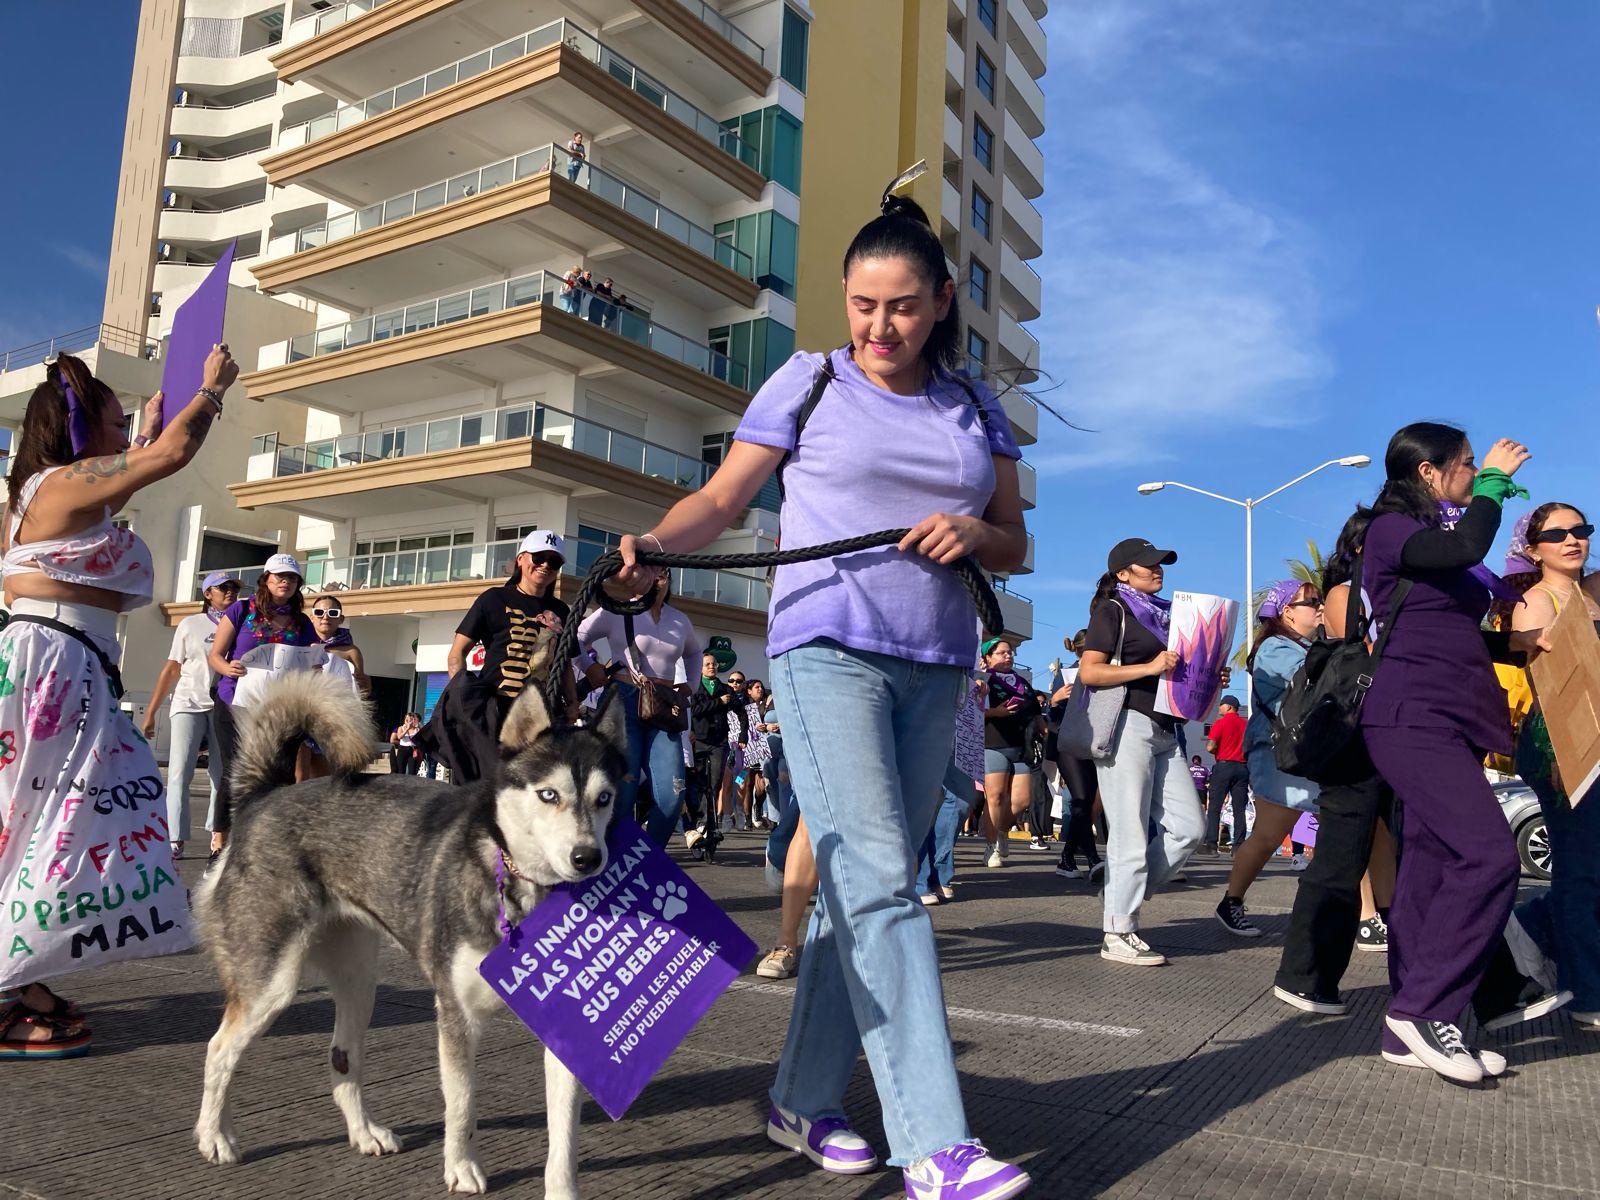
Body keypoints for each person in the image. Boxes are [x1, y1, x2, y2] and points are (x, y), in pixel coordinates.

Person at [609, 182, 1030, 1194]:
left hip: (937, 662)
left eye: (900, 305)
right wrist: (654, 549)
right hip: (822, 649)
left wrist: (977, 535)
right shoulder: (806, 382)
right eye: (862, 304)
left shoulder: (976, 407)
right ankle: (935, 1144)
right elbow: (720, 498)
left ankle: (799, 1098)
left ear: (937, 305)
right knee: (884, 875)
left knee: (855, 897)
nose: (879, 326)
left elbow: (1015, 545)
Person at [0, 343, 235, 1057]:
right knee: (46, 823)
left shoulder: (49, 494)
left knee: (51, 826)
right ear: (80, 432)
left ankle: (20, 974)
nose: (126, 424)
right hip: (54, 666)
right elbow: (165, 459)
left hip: (64, 665)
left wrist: (143, 439)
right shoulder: (51, 488)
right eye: (115, 416)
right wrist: (211, 391)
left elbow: (132, 472)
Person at [1354, 423, 1548, 1082]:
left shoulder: (1437, 544)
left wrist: (1515, 645)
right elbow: (1468, 540)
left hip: (1451, 716)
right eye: (1467, 465)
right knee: (1491, 855)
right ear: (1428, 473)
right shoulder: (1390, 528)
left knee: (1431, 871)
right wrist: (1495, 486)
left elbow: (1441, 622)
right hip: (1410, 715)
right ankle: (1426, 1007)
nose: (1475, 473)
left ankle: (1403, 1031)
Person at [1078, 538, 1206, 967]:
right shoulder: (1112, 610)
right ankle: (1118, 930)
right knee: (1130, 831)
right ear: (1122, 574)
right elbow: (1091, 671)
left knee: (1190, 829)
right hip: (1125, 723)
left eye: (1162, 563)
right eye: (1148, 564)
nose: (1158, 569)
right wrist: (1150, 668)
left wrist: (1207, 672)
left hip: (1166, 727)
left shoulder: (1169, 616)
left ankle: (1119, 895)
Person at [1499, 502, 1600, 1030]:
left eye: (1581, 530)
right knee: (1582, 869)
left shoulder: (1592, 591)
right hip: (1561, 742)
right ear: (1533, 548)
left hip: (1598, 735)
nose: (1572, 540)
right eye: (1556, 533)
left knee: (1590, 868)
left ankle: (1528, 926)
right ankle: (1585, 991)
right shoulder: (1536, 602)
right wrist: (1566, 755)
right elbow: (1545, 686)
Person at [1214, 581, 1324, 938]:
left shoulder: (1312, 646)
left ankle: (1371, 916)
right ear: (1287, 612)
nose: (1321, 607)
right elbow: (1314, 680)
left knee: (1353, 829)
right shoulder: (1276, 647)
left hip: (1309, 752)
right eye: (1312, 602)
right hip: (1280, 753)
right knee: (1267, 835)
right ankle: (1231, 900)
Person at [418, 530, 572, 785]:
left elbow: (565, 661)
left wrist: (573, 703)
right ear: (521, 559)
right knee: (487, 785)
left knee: (537, 786)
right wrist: (462, 697)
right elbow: (457, 652)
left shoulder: (561, 610)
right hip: (495, 709)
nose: (545, 565)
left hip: (543, 713)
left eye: (553, 562)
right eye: (539, 557)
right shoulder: (494, 598)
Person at [577, 572, 700, 847]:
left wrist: (691, 684)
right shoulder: (615, 611)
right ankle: (611, 861)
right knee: (623, 790)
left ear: (668, 578)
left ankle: (644, 858)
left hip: (664, 706)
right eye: (649, 570)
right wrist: (589, 667)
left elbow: (694, 652)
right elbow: (576, 636)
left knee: (672, 793)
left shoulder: (679, 619)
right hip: (623, 699)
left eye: (662, 572)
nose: (656, 577)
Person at [207, 555, 322, 810]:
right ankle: (221, 837)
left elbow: (315, 659)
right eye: (280, 576)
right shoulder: (241, 609)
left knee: (279, 772)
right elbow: (215, 655)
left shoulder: (302, 622)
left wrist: (318, 664)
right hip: (235, 701)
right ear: (266, 579)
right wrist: (227, 667)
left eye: (292, 577)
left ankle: (267, 831)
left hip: (279, 709)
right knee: (235, 769)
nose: (286, 581)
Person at [142, 569, 240, 859]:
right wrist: (151, 712)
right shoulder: (190, 624)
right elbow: (172, 667)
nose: (229, 592)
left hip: (224, 705)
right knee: (179, 772)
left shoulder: (242, 622)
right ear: (207, 593)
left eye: (233, 588)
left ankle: (217, 835)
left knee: (221, 774)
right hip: (187, 703)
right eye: (223, 588)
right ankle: (175, 838)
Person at [920, 673, 985, 904]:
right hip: (926, 699)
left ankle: (938, 872)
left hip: (961, 718)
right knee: (923, 797)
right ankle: (921, 878)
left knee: (961, 800)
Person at [980, 637, 1040, 867]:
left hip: (1020, 745)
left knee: (1022, 799)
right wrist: (996, 713)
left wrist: (1046, 732)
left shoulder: (1022, 682)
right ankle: (991, 846)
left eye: (1010, 652)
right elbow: (971, 710)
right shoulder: (982, 679)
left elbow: (1035, 712)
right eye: (1002, 653)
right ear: (988, 657)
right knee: (995, 796)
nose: (1008, 656)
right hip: (992, 742)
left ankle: (1001, 832)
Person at [1053, 632, 1104, 883]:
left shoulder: (1105, 671)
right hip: (1070, 744)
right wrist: (1055, 700)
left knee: (1087, 805)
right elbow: (1050, 717)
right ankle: (1093, 858)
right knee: (1081, 799)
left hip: (1095, 744)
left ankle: (1067, 856)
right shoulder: (1065, 675)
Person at [689, 653, 738, 844]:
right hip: (699, 740)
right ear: (700, 668)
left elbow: (740, 710)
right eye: (707, 664)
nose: (712, 667)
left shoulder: (724, 688)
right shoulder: (694, 686)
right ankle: (699, 820)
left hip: (719, 742)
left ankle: (714, 822)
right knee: (699, 782)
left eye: (714, 664)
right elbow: (694, 711)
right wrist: (719, 702)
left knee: (716, 782)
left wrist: (742, 735)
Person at [1200, 695, 1249, 855]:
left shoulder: (1220, 723)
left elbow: (1209, 747)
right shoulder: (1246, 724)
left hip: (1223, 766)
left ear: (1229, 707)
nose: (1219, 707)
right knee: (1239, 809)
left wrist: (1218, 750)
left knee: (1214, 807)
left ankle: (1212, 845)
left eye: (1221, 705)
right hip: (1242, 768)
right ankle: (1239, 846)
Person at [310, 595, 369, 695]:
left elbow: (361, 692)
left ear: (341, 619)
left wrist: (365, 684)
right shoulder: (300, 646)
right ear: (312, 618)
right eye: (319, 612)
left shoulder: (351, 652)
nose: (326, 617)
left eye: (333, 613)